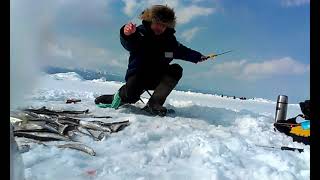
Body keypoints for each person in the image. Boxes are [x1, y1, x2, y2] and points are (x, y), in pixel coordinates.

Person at [95, 5, 208, 116]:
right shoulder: (141, 33)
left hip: (157, 77)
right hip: (138, 76)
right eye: (157, 23)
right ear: (150, 21)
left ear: (167, 26)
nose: (160, 27)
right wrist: (127, 34)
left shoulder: (170, 41)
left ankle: (154, 104)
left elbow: (183, 51)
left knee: (176, 69)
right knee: (130, 97)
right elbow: (131, 43)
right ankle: (117, 96)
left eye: (163, 25)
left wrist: (198, 56)